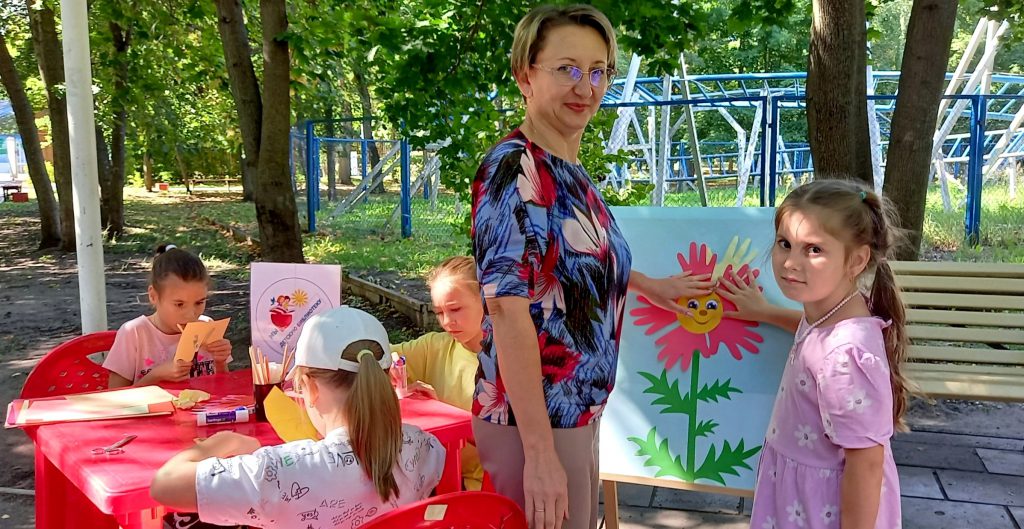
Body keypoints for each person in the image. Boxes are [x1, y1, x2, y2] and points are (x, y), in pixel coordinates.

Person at [470, 5, 715, 529]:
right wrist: (540, 456)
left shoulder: (568, 168)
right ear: (525, 76)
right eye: (567, 69)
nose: (586, 87)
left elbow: (569, 267)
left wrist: (649, 285)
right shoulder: (513, 169)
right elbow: (507, 310)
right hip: (535, 421)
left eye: (598, 70)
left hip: (576, 410)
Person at [150, 306, 446, 529]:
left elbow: (164, 486)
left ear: (310, 388)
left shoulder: (281, 471)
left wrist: (219, 443)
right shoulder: (424, 447)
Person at [743, 179, 908, 529]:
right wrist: (763, 312)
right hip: (801, 499)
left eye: (814, 249)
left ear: (856, 260)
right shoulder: (831, 313)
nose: (790, 262)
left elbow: (866, 465)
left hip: (819, 508)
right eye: (784, 244)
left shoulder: (845, 356)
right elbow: (816, 336)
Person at [391, 255, 484, 490]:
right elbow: (378, 354)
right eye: (439, 312)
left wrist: (442, 415)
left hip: (480, 487)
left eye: (455, 309)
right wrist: (393, 376)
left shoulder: (510, 362)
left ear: (485, 300)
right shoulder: (434, 346)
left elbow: (509, 443)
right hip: (431, 481)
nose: (447, 321)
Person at [104, 244, 232, 388]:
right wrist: (156, 376)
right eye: (179, 304)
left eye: (199, 302)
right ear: (153, 296)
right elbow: (115, 395)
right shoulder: (134, 333)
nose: (191, 315)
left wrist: (220, 361)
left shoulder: (207, 327)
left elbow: (224, 388)